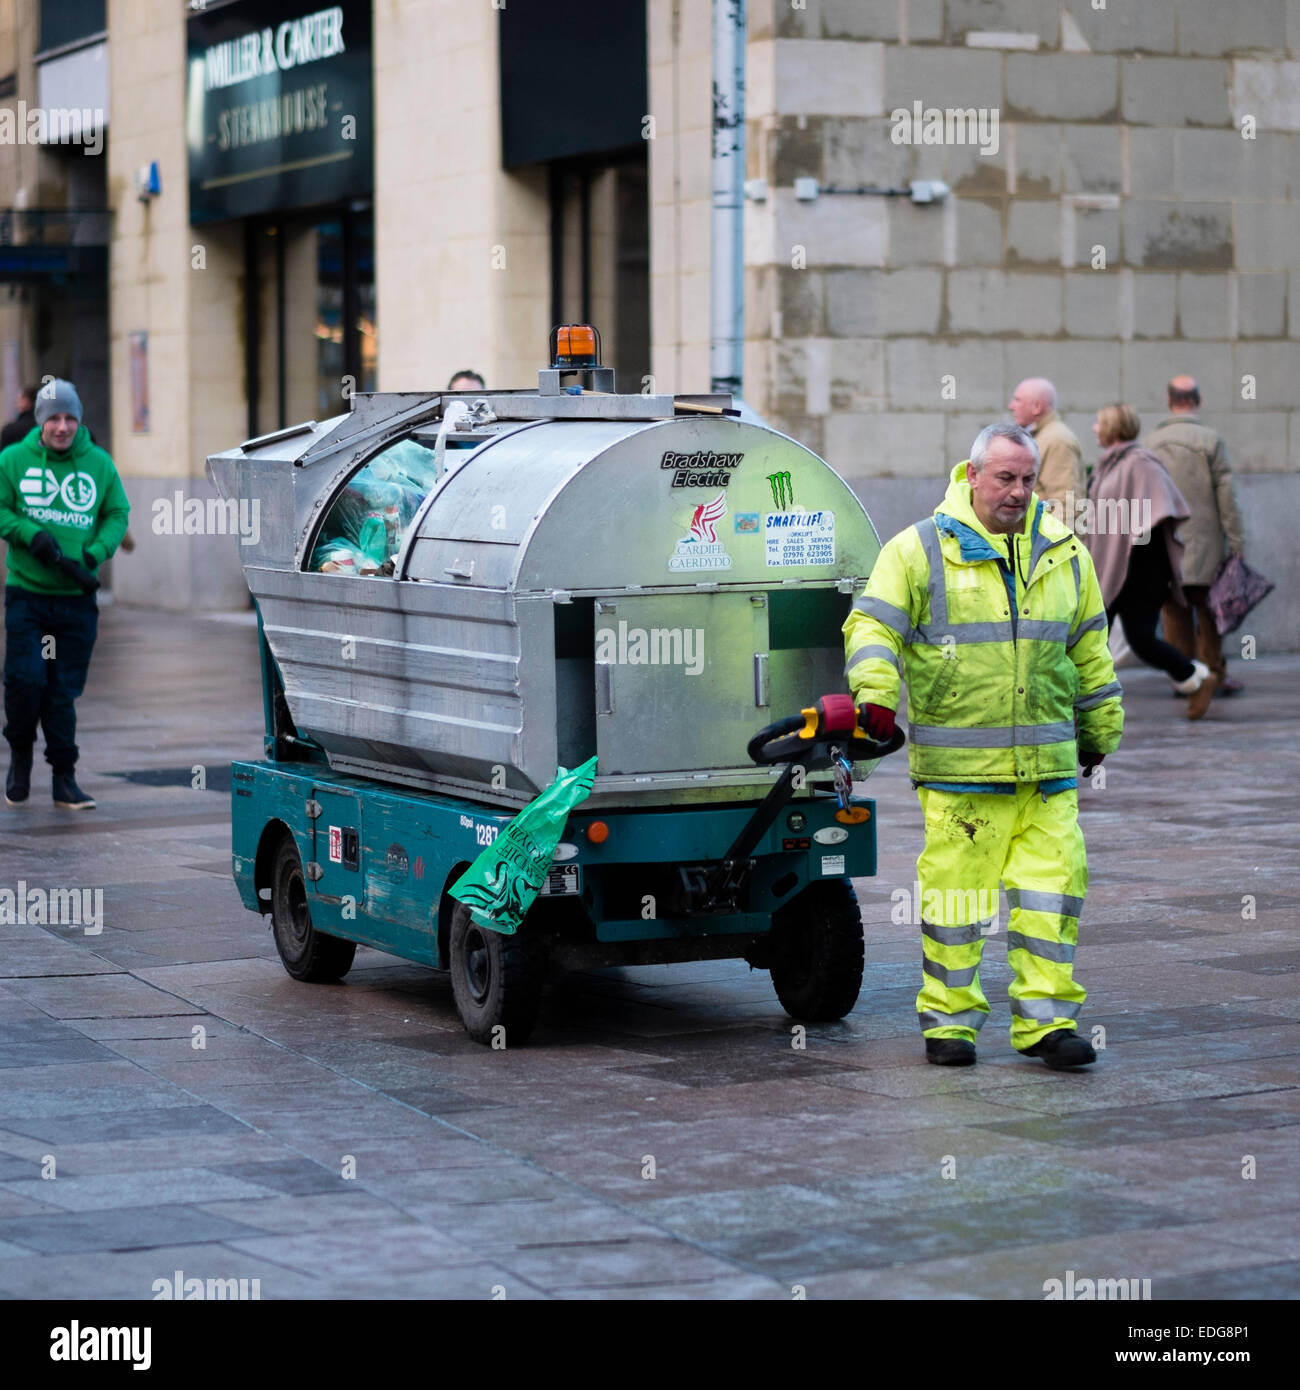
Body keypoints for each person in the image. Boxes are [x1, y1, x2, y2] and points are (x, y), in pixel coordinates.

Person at [843, 421, 1123, 1071]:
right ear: (971, 477)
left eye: (1028, 478)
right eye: (1005, 477)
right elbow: (872, 627)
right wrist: (875, 697)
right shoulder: (918, 551)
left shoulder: (1063, 552)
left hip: (1048, 773)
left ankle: (1047, 1025)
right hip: (962, 777)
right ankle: (950, 1023)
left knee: (1051, 899)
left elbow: (1089, 647)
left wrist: (1101, 728)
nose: (1020, 491)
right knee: (955, 904)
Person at [0, 378, 130, 809]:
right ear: (39, 420)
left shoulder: (98, 464)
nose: (62, 426)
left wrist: (94, 554)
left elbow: (117, 513)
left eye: (69, 417)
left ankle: (64, 777)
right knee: (25, 679)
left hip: (75, 604)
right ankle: (20, 754)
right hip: (28, 598)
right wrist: (27, 532)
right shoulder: (13, 460)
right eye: (53, 417)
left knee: (60, 690)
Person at [1086, 404, 1215, 720]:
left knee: (1139, 640)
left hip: (1139, 573)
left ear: (1114, 428)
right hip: (1113, 569)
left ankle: (1195, 679)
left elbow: (1158, 513)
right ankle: (1081, 704)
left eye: (1099, 423)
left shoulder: (1141, 463)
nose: (1094, 428)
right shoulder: (1108, 465)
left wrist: (1127, 551)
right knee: (1091, 636)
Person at [1143, 375, 1246, 696]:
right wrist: (1237, 542)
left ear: (1169, 400)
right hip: (1206, 545)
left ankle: (1183, 676)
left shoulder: (1150, 443)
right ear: (1197, 401)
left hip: (1165, 545)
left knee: (1174, 611)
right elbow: (1226, 497)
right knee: (1210, 611)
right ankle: (1213, 673)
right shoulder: (1212, 440)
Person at [1008, 377, 1085, 526]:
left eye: (1017, 400)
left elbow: (1066, 505)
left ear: (1037, 407)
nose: (1011, 406)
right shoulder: (1042, 436)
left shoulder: (1057, 440)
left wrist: (1056, 547)